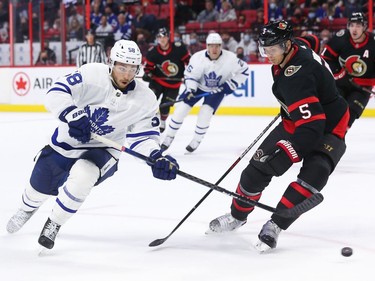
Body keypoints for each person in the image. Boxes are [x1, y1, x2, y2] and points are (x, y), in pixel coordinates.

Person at [6, 40, 179, 250]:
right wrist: (72, 114)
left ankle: (55, 223)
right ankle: (27, 208)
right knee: (37, 189)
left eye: (132, 68)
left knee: (84, 174)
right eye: (122, 67)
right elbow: (56, 92)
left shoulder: (146, 98)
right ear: (111, 63)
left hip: (105, 150)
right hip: (67, 142)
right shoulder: (91, 74)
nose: (126, 74)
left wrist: (156, 156)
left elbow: (144, 137)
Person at [207, 20, 349, 252]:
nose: (267, 55)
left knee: (316, 172)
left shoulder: (297, 77)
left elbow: (313, 127)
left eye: (272, 50)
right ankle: (237, 216)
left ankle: (276, 224)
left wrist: (287, 153)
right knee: (255, 170)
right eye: (265, 49)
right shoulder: (297, 45)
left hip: (329, 125)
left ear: (286, 45)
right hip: (298, 119)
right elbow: (312, 42)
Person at [161, 33, 249, 153]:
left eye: (217, 46)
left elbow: (244, 71)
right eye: (211, 46)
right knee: (180, 110)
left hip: (217, 90)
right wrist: (191, 89)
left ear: (221, 46)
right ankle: (169, 137)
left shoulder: (231, 58)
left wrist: (228, 86)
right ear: (207, 46)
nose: (214, 49)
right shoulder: (197, 58)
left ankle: (197, 139)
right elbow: (190, 76)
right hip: (198, 87)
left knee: (205, 114)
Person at [321, 12, 375, 128]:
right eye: (352, 25)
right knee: (330, 113)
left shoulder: (373, 43)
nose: (354, 29)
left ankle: (333, 144)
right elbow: (325, 58)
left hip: (362, 88)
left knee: (346, 121)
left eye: (358, 25)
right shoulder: (341, 38)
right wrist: (338, 72)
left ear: (364, 27)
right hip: (341, 83)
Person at [143, 27, 190, 133]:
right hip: (157, 82)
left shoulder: (179, 49)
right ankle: (149, 121)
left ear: (168, 37)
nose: (162, 39)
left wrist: (190, 75)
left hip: (174, 84)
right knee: (151, 101)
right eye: (159, 37)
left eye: (164, 36)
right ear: (157, 39)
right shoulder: (153, 52)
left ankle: (162, 121)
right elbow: (147, 68)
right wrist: (148, 74)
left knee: (165, 105)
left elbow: (189, 63)